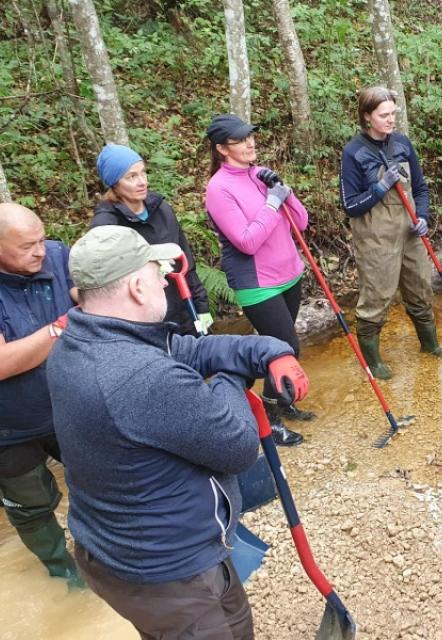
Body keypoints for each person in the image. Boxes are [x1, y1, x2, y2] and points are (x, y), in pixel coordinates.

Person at [48, 225, 310, 640]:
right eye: (159, 274)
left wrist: (268, 351)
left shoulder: (81, 340)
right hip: (167, 572)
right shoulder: (140, 375)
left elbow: (189, 350)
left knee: (233, 623)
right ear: (137, 287)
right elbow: (240, 448)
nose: (165, 283)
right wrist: (232, 374)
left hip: (123, 550)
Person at [204, 113, 309, 446]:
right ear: (222, 148)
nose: (250, 143)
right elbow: (246, 241)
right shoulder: (219, 189)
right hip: (256, 282)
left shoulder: (259, 175)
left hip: (289, 273)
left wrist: (283, 192)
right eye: (240, 139)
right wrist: (271, 203)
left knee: (281, 346)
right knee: (283, 348)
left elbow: (302, 222)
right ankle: (269, 419)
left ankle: (281, 401)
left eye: (250, 135)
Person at [339, 85, 442, 380]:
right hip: (376, 238)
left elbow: (420, 189)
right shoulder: (354, 153)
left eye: (394, 113)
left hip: (410, 232)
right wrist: (379, 187)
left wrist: (424, 217)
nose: (391, 120)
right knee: (377, 297)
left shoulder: (402, 144)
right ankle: (373, 361)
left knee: (419, 288)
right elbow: (350, 206)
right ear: (367, 117)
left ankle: (430, 346)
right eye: (384, 115)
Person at [0, 203, 83, 589]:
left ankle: (105, 555)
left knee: (98, 479)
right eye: (26, 246)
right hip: (9, 427)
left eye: (40, 238)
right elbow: (2, 363)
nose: (39, 251)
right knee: (30, 506)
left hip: (70, 404)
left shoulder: (56, 254)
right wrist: (61, 328)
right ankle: (62, 571)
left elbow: (86, 297)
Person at [91, 143, 212, 336]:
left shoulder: (161, 208)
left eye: (143, 173)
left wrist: (202, 307)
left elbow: (186, 260)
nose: (142, 182)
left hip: (186, 309)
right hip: (148, 322)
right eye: (131, 177)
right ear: (114, 183)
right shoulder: (106, 226)